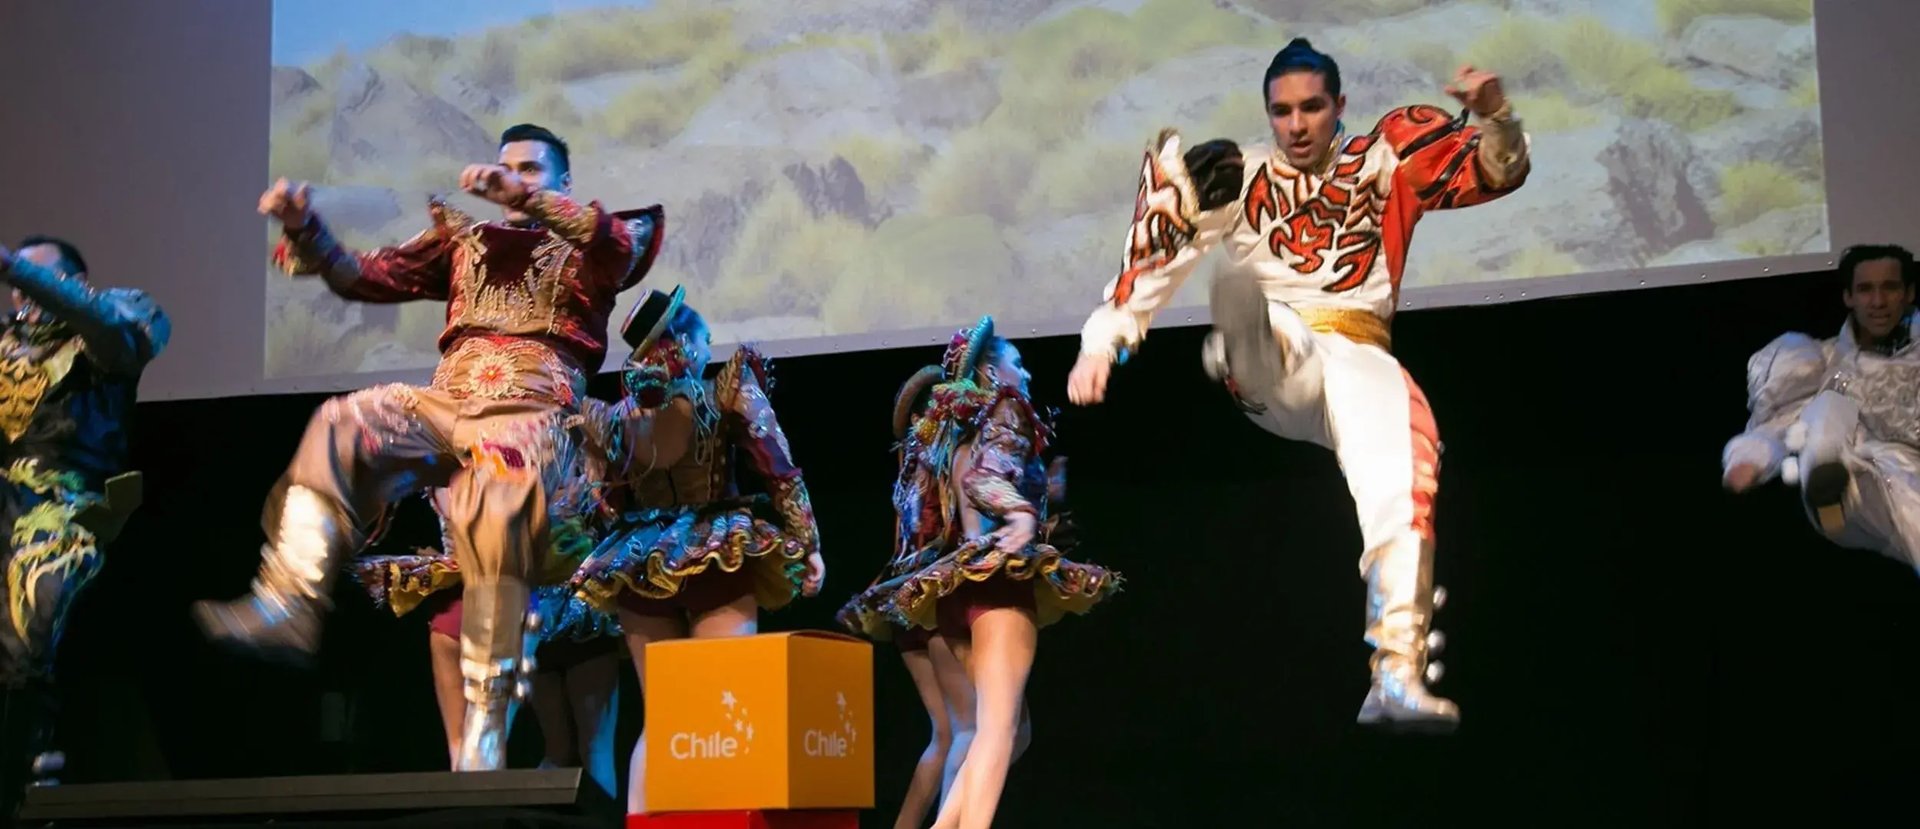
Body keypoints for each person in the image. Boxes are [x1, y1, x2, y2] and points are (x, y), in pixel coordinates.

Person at [1065, 38, 1531, 733]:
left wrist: (1499, 116)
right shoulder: (1234, 173)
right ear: (1269, 114)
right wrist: (1102, 343)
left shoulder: (1387, 160)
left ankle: (1395, 672)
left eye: (1312, 107)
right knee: (1256, 303)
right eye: (1282, 112)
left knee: (1405, 475)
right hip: (1282, 353)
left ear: (1338, 105)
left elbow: (1496, 171)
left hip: (1362, 349)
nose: (1297, 125)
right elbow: (1155, 261)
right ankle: (1243, 332)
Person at [192, 122, 664, 771]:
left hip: (532, 409)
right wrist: (305, 226)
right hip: (449, 403)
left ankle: (488, 725)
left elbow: (627, 243)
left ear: (564, 180)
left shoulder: (587, 246)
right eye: (508, 168)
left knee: (495, 502)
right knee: (341, 423)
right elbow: (364, 274)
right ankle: (290, 597)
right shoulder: (465, 239)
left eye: (532, 168)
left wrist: (529, 202)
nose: (515, 178)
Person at [849, 316, 1120, 829]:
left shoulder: (945, 435)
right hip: (991, 582)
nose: (1027, 374)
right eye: (1017, 363)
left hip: (951, 593)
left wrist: (1041, 509)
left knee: (1007, 729)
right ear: (992, 370)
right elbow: (984, 479)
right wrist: (1019, 512)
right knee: (993, 730)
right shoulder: (1006, 407)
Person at [565, 288, 823, 815]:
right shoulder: (727, 389)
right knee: (726, 709)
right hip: (717, 554)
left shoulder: (614, 417)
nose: (709, 348)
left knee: (663, 719)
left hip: (638, 562)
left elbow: (599, 501)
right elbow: (779, 466)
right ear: (685, 340)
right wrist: (809, 542)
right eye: (705, 338)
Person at [0, 236, 168, 816]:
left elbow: (114, 340)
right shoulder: (5, 343)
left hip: (67, 502)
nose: (25, 293)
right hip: (4, 493)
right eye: (19, 284)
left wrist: (9, 264)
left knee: (31, 612)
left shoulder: (120, 315)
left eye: (36, 278)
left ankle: (21, 762)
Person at [837, 365, 1039, 829]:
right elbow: (971, 519)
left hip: (918, 598)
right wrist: (1019, 515)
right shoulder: (960, 450)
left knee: (962, 732)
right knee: (974, 729)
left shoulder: (915, 467)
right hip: (951, 588)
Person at [352, 487, 623, 797]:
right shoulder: (526, 462)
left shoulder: (451, 459)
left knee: (473, 747)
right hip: (531, 606)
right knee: (587, 748)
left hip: (474, 605)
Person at [1724, 244, 1920, 572]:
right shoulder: (1828, 361)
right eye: (1865, 289)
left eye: (1890, 287)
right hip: (1857, 487)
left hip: (1910, 482)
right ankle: (1824, 474)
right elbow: (1787, 421)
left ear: (1908, 293)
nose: (1878, 301)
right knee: (1829, 406)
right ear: (1849, 297)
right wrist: (1751, 458)